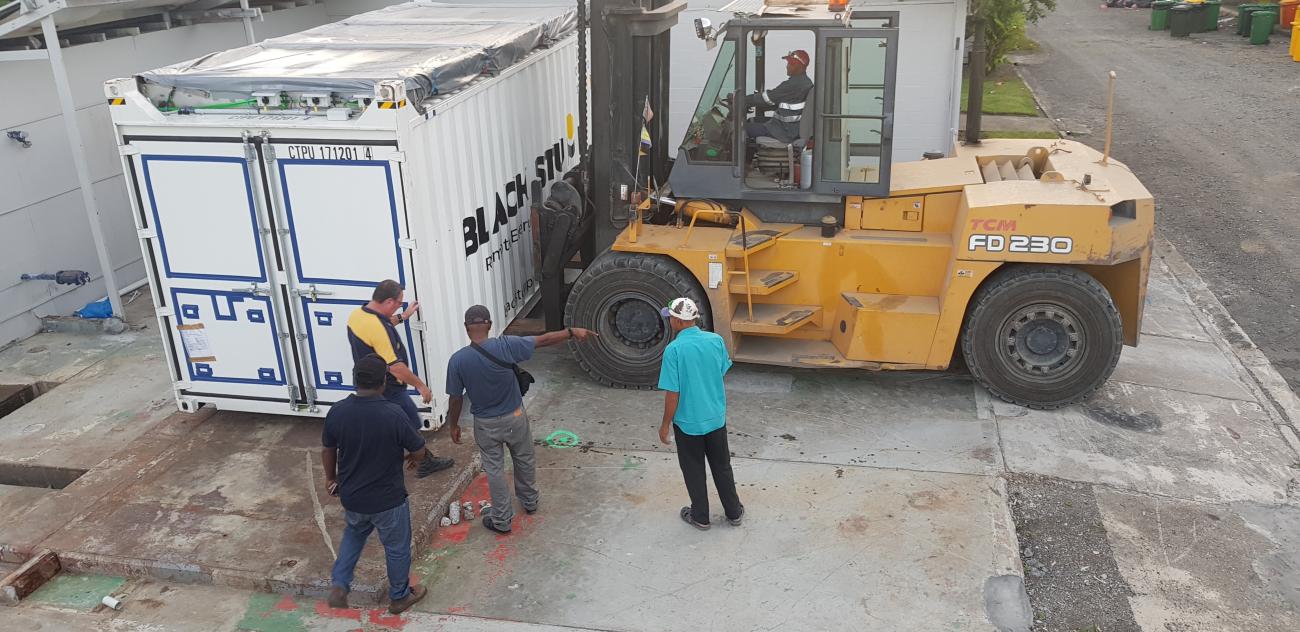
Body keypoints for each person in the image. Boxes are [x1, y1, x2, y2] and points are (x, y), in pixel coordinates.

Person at [444, 305, 596, 534]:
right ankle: (530, 501)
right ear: (490, 324)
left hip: (485, 425)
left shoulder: (458, 360)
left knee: (494, 470)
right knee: (524, 458)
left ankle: (502, 520)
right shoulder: (506, 345)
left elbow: (455, 399)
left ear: (466, 328)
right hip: (515, 417)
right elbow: (543, 340)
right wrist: (572, 332)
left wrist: (453, 424)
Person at [322, 354, 429, 614]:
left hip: (353, 497)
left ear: (354, 380)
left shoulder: (338, 411)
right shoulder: (392, 413)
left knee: (353, 536)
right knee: (396, 548)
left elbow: (328, 449)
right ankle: (400, 596)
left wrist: (330, 478)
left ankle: (339, 584)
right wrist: (411, 458)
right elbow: (420, 449)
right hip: (388, 500)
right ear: (384, 381)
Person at [347, 279, 453, 478]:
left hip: (366, 384)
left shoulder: (358, 315)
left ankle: (390, 456)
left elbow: (383, 325)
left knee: (384, 424)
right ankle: (424, 462)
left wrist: (404, 316)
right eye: (398, 303)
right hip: (388, 387)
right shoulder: (377, 326)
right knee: (411, 421)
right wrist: (421, 386)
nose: (399, 305)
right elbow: (396, 367)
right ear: (388, 301)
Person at [656, 297, 743, 530]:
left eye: (670, 317)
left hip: (688, 424)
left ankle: (701, 517)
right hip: (715, 417)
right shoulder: (715, 340)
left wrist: (665, 424)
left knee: (694, 469)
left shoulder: (673, 350)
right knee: (722, 465)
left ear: (677, 320)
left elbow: (672, 393)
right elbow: (721, 370)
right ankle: (734, 512)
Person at [743, 49, 814, 144]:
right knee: (752, 120)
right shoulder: (804, 82)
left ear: (797, 66)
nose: (787, 66)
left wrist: (741, 99)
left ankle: (740, 158)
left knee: (741, 128)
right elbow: (782, 102)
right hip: (789, 128)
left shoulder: (793, 85)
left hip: (784, 131)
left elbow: (767, 98)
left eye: (790, 64)